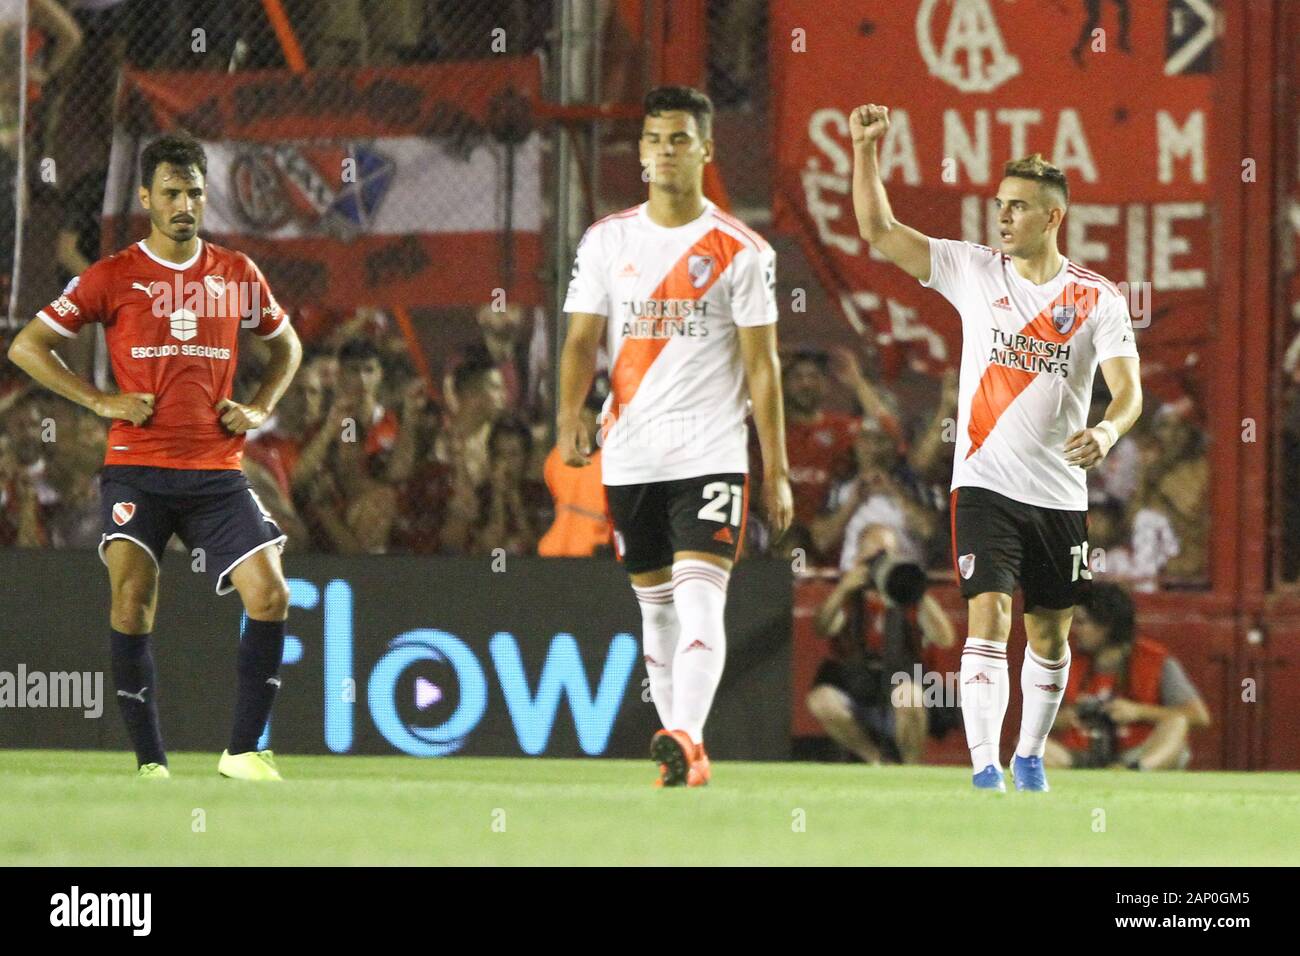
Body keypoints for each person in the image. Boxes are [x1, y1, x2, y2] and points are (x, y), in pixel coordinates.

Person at [850, 103, 1143, 792]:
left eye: (1017, 207)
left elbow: (1128, 392)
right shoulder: (973, 270)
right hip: (983, 483)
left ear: (1052, 218)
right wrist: (866, 152)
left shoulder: (1095, 299)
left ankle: (1029, 755)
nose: (1002, 218)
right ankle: (986, 766)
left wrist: (1106, 429)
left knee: (1049, 635)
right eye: (999, 205)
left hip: (1059, 493)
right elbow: (878, 230)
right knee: (989, 611)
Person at [6, 133, 303, 780]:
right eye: (171, 192)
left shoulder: (236, 273)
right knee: (134, 598)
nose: (184, 203)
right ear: (146, 198)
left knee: (271, 594)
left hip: (218, 471)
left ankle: (245, 753)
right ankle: (151, 763)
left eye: (194, 191)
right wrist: (99, 401)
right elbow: (27, 348)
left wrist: (258, 406)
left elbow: (288, 348)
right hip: (138, 467)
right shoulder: (113, 275)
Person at [557, 85, 792, 788]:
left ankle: (684, 735)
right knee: (654, 608)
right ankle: (680, 757)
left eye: (680, 139)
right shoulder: (607, 240)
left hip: (711, 451)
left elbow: (764, 367)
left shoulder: (741, 250)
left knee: (699, 598)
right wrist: (570, 412)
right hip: (630, 453)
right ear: (640, 154)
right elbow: (580, 341)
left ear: (706, 150)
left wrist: (775, 470)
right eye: (655, 139)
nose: (666, 151)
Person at [809, 524, 958, 764]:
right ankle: (877, 761)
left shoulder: (907, 593)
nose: (880, 562)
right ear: (858, 557)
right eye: (873, 555)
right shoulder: (848, 595)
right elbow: (822, 628)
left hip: (903, 686)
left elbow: (945, 638)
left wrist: (913, 587)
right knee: (821, 700)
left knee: (908, 694)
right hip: (858, 688)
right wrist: (843, 589)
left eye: (886, 555)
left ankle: (909, 772)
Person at [1045, 582, 1210, 770]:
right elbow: (1041, 722)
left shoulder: (1155, 660)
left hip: (1137, 752)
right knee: (1031, 744)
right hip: (1081, 755)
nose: (1075, 629)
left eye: (1082, 622)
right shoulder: (1068, 662)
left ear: (1106, 625)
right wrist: (1064, 719)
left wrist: (1138, 712)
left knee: (1177, 723)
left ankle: (1133, 770)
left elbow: (1199, 717)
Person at [538, 377, 612, 557]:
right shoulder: (557, 457)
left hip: (597, 558)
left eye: (597, 414)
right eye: (585, 413)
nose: (591, 421)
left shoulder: (616, 460)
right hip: (553, 554)